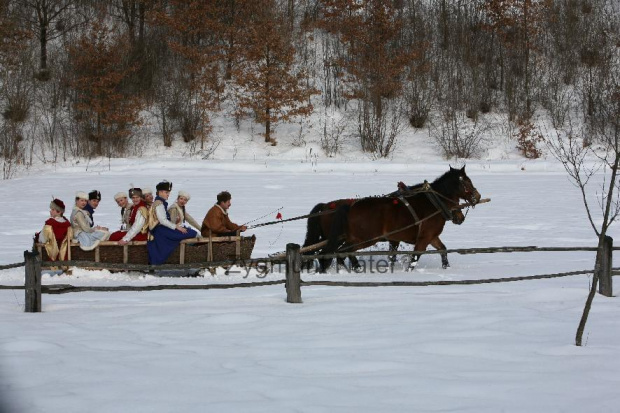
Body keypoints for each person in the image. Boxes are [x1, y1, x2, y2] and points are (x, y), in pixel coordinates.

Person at [147, 180, 197, 264]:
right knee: (189, 233)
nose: (168, 194)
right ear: (160, 192)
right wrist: (177, 227)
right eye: (166, 192)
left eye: (168, 192)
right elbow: (163, 220)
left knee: (189, 232)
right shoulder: (159, 203)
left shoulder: (160, 203)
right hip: (161, 231)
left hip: (162, 230)